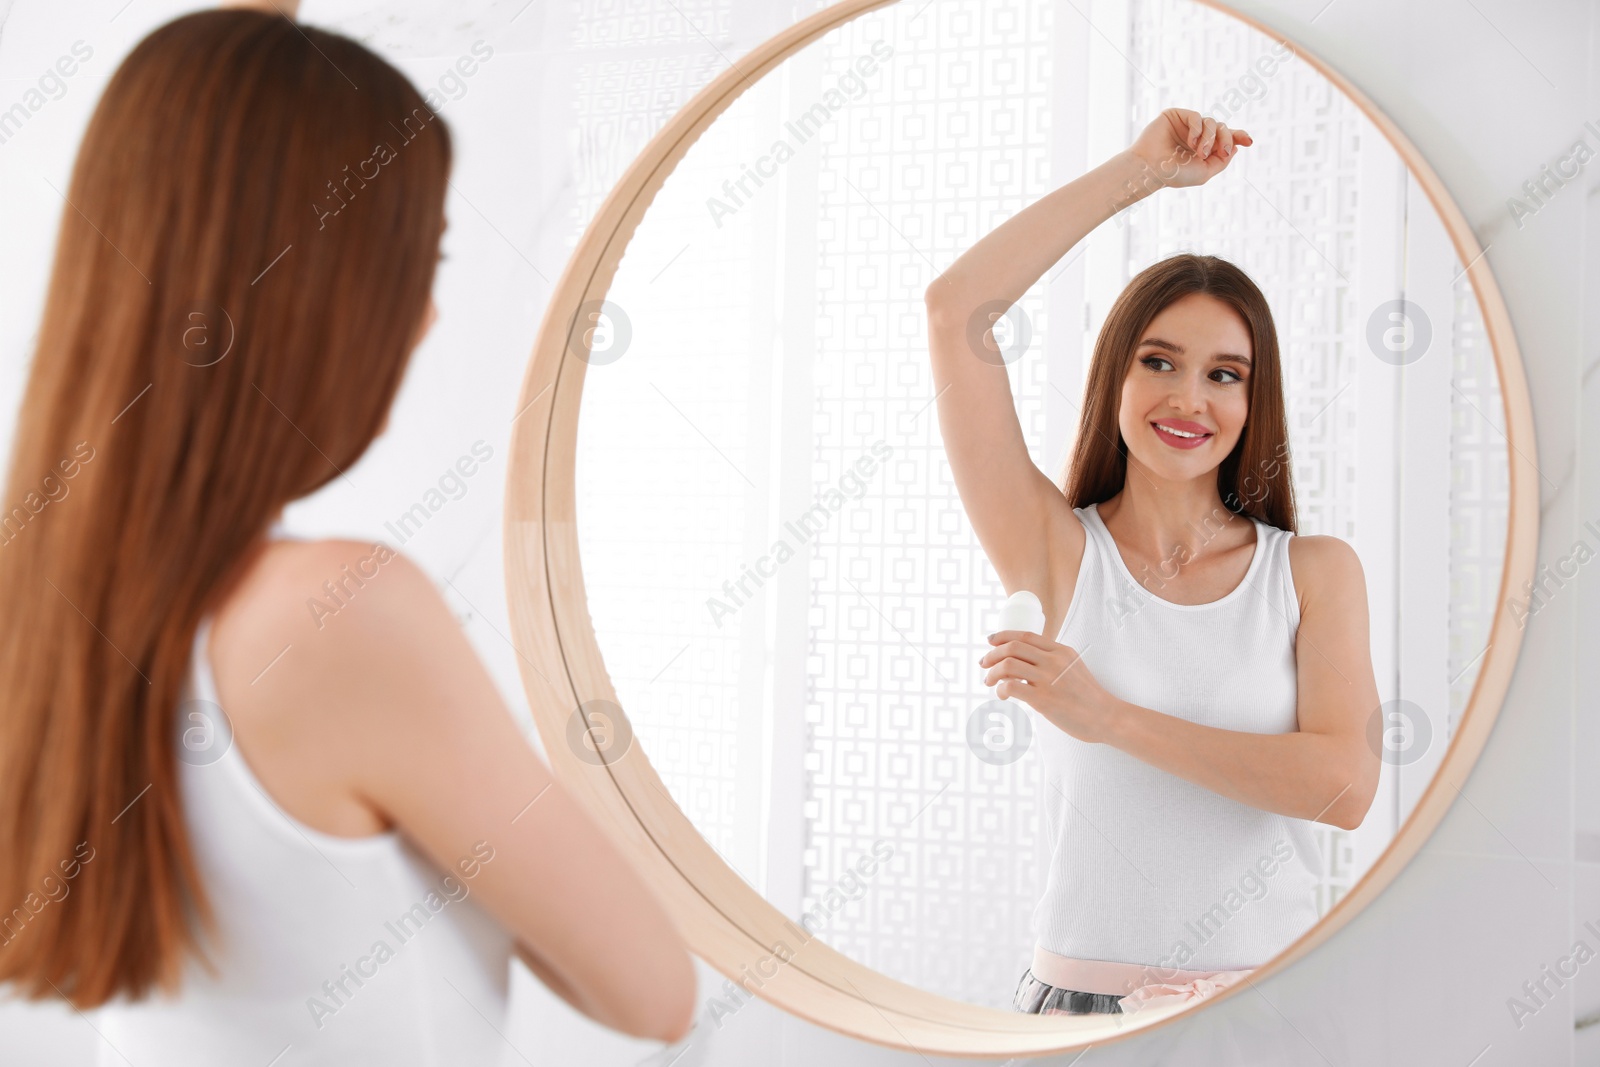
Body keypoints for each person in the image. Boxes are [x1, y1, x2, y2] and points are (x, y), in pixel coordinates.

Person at [0, 7, 696, 1062]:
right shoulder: (332, 616)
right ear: (315, 290)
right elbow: (652, 989)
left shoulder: (40, 598)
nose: (424, 318)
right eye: (418, 260)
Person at [923, 108, 1381, 1016]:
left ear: (1256, 399)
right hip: (1079, 1010)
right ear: (1116, 380)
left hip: (1271, 1005)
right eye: (1158, 360)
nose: (1187, 397)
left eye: (1224, 373)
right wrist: (1137, 174)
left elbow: (1343, 787)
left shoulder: (1314, 573)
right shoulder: (1054, 549)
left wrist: (1109, 717)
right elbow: (954, 310)